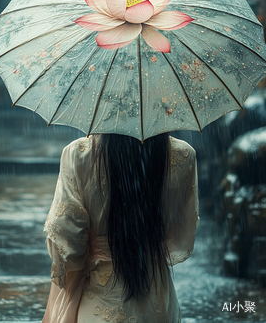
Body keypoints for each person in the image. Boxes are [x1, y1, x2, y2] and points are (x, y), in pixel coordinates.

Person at [42, 132, 199, 323]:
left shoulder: (79, 154)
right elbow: (179, 232)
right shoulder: (183, 155)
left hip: (98, 293)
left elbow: (66, 241)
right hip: (155, 292)